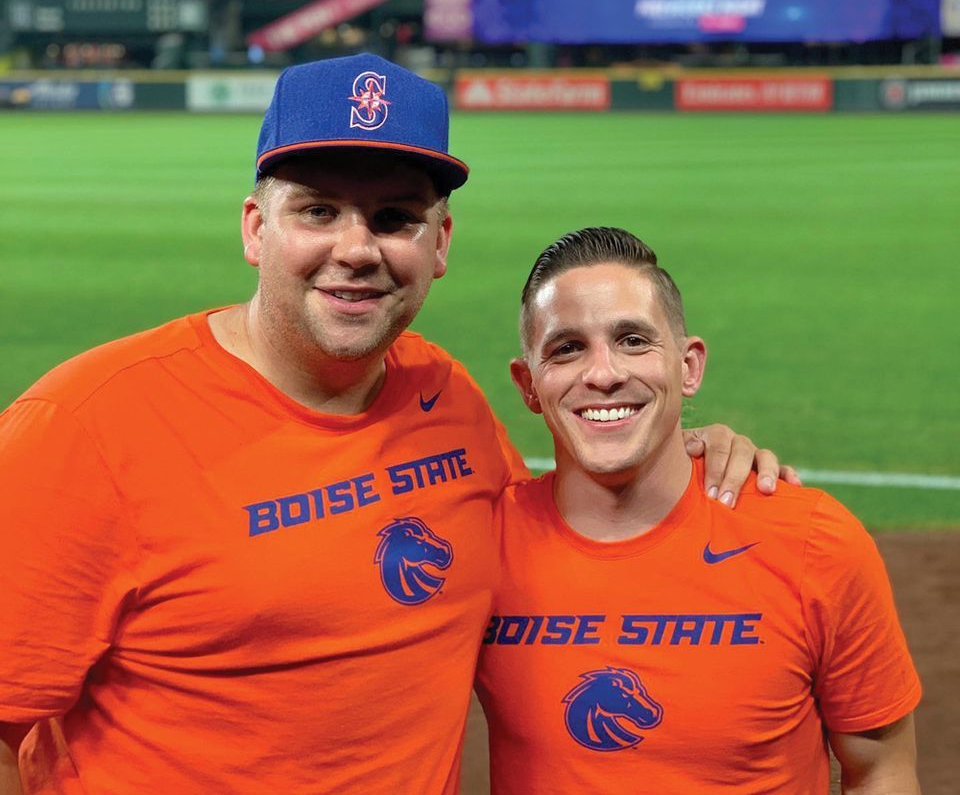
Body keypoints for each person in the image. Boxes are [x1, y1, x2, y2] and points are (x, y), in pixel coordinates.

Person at [0, 57, 792, 795]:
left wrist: (682, 455)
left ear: (438, 243)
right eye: (318, 210)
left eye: (393, 217)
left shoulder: (446, 397)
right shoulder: (83, 428)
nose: (356, 249)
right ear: (255, 229)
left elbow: (560, 548)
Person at [476, 227, 922, 794]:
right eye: (567, 348)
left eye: (633, 340)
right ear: (528, 384)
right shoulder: (484, 546)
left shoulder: (813, 542)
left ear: (688, 367)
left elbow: (882, 770)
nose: (604, 374)